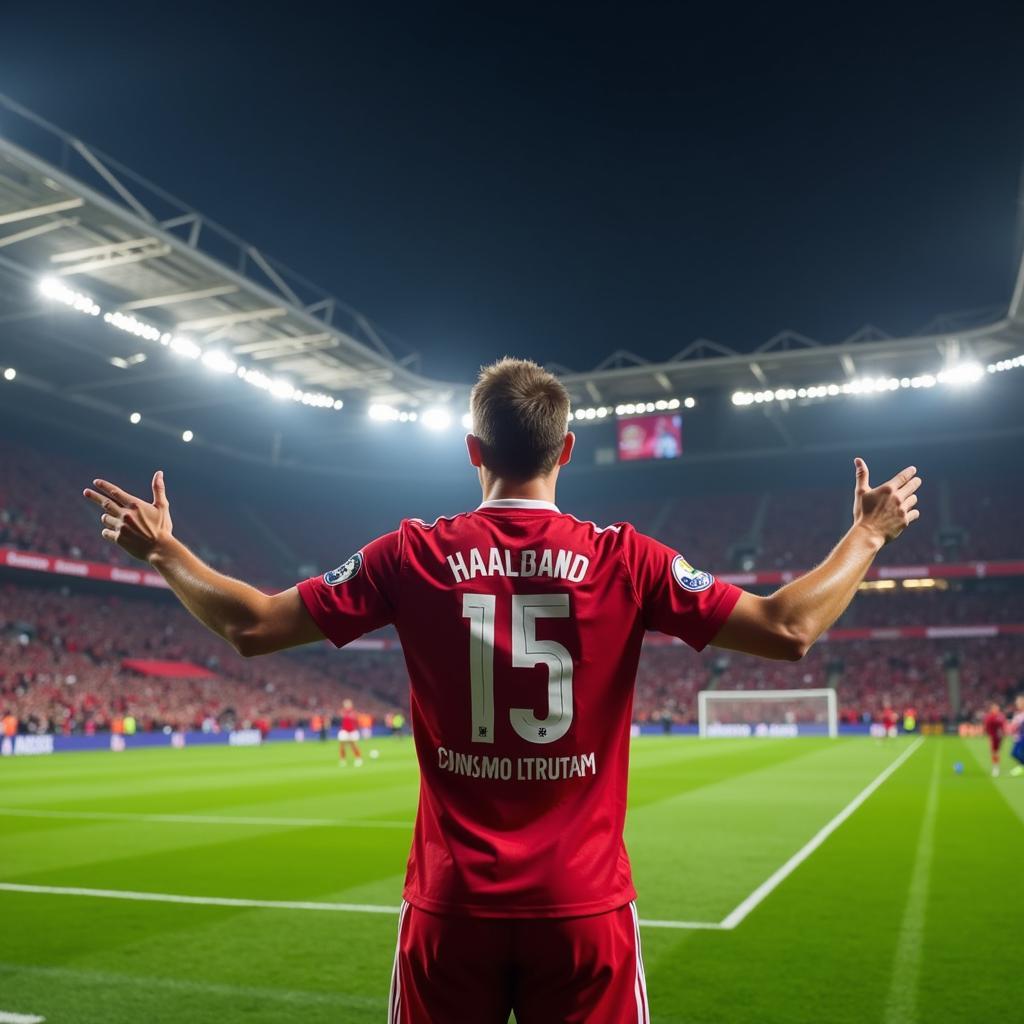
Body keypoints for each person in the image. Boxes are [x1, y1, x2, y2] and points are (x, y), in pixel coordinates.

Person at [83, 356, 921, 1023]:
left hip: (451, 912)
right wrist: (868, 531)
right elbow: (786, 629)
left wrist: (164, 552)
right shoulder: (626, 557)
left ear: (472, 452)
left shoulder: (411, 553)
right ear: (564, 451)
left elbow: (256, 626)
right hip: (582, 908)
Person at [982, 701, 1007, 778]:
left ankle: (996, 767)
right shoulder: (989, 717)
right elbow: (986, 726)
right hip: (993, 737)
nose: (996, 709)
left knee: (997, 752)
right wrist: (986, 733)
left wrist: (1003, 733)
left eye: (997, 708)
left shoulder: (1001, 716)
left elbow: (1003, 726)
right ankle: (995, 767)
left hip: (999, 737)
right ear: (991, 709)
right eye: (995, 708)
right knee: (994, 752)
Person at [338, 698, 363, 767]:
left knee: (354, 745)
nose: (347, 705)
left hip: (352, 731)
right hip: (344, 730)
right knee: (342, 746)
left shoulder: (354, 712)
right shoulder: (343, 712)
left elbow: (356, 721)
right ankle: (342, 760)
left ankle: (358, 759)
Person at [1008, 695, 1024, 778]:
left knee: (1016, 753)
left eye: (1019, 702)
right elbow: (1014, 726)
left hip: (1022, 738)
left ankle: (1021, 766)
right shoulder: (1018, 714)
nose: (1017, 704)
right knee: (1014, 753)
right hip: (1018, 737)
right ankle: (1021, 766)